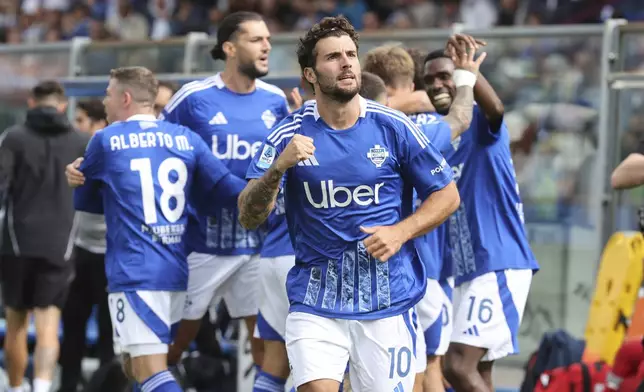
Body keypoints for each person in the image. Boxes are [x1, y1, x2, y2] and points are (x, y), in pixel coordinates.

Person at [238, 16, 481, 392]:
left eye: (351, 54)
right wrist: (277, 170)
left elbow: (447, 195)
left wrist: (401, 232)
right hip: (315, 303)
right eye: (333, 57)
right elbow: (249, 214)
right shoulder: (288, 133)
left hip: (387, 301)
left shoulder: (394, 127)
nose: (347, 62)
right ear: (311, 74)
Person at [68, 66, 248, 391]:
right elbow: (228, 189)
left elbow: (86, 201)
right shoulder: (186, 138)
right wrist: (271, 182)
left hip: (136, 271)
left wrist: (75, 177)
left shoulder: (106, 139)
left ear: (124, 98)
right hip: (175, 271)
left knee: (150, 370)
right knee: (139, 366)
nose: (105, 102)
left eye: (108, 94)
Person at [159, 11, 290, 369]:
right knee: (172, 347)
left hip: (256, 245)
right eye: (256, 40)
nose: (267, 46)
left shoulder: (275, 100)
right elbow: (156, 149)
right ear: (229, 47)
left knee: (266, 348)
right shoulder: (193, 98)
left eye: (267, 39)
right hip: (202, 245)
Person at [362, 41, 483, 392]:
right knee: (427, 365)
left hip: (399, 268)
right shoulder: (417, 126)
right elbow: (456, 114)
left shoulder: (363, 128)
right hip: (424, 268)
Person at [423, 39, 539, 392]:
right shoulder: (440, 139)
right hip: (467, 269)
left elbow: (498, 110)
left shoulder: (478, 124)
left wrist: (471, 76)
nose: (437, 84)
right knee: (477, 370)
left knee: (458, 365)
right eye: (429, 80)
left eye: (446, 76)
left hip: (498, 260)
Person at [0, 81, 90, 392]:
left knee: (16, 324)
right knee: (49, 324)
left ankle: (15, 388)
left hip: (16, 243)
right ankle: (41, 386)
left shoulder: (14, 138)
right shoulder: (81, 141)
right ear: (63, 105)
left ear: (31, 102)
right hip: (60, 244)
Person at [59, 99, 114, 392]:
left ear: (98, 125)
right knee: (72, 329)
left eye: (81, 121)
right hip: (81, 253)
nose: (75, 127)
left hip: (110, 257)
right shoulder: (79, 158)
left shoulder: (115, 155)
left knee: (108, 334)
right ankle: (67, 386)